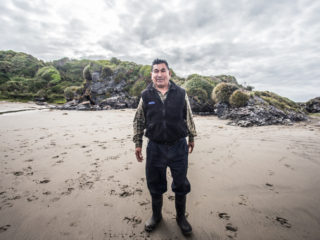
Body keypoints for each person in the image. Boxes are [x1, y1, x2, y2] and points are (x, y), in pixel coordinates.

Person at [133, 58, 197, 235]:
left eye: (163, 70)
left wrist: (191, 136)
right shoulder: (146, 95)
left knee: (181, 183)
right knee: (155, 183)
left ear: (169, 73)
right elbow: (139, 120)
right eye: (156, 71)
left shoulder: (181, 93)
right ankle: (156, 216)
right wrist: (138, 142)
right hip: (155, 148)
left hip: (178, 146)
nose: (159, 74)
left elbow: (188, 116)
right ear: (151, 75)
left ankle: (181, 218)